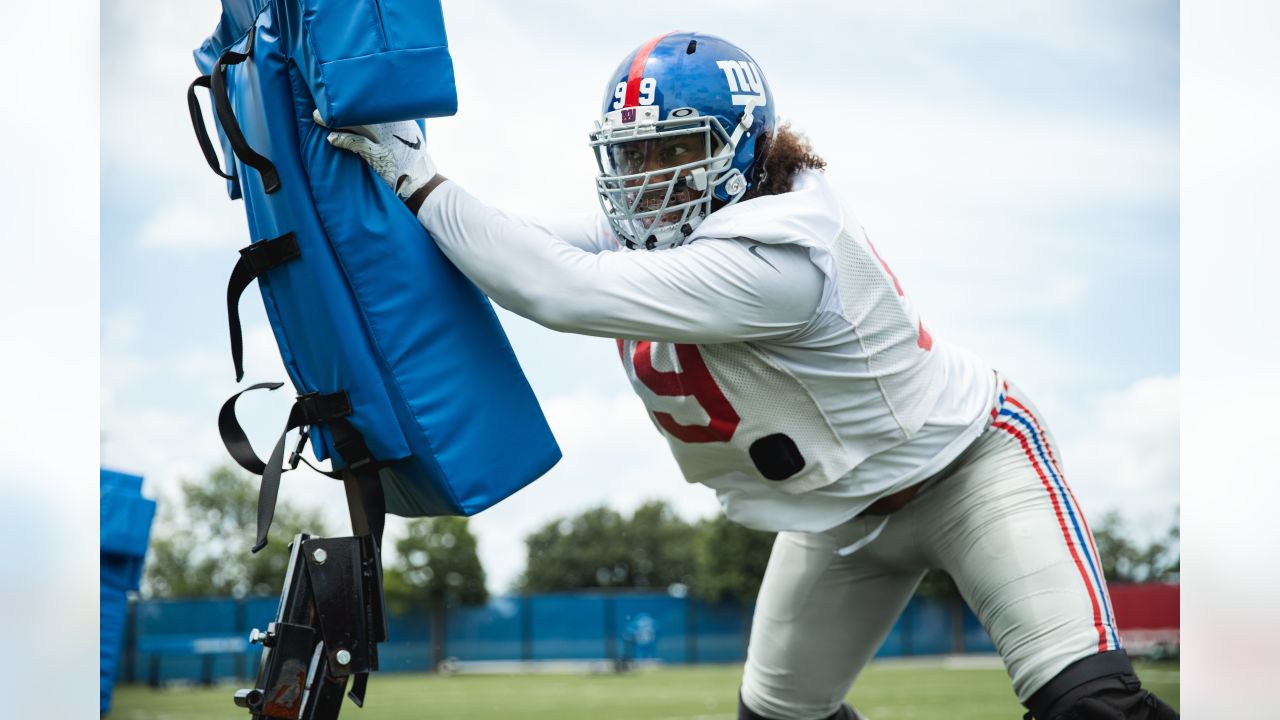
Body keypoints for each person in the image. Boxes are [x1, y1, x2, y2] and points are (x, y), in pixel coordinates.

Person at [322, 31, 1177, 720]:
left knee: (1086, 708)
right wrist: (399, 196)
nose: (648, 182)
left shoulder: (781, 256)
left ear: (741, 150)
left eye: (672, 153)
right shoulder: (673, 224)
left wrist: (419, 175)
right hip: (833, 519)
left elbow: (556, 287)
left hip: (966, 472)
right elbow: (517, 246)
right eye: (634, 156)